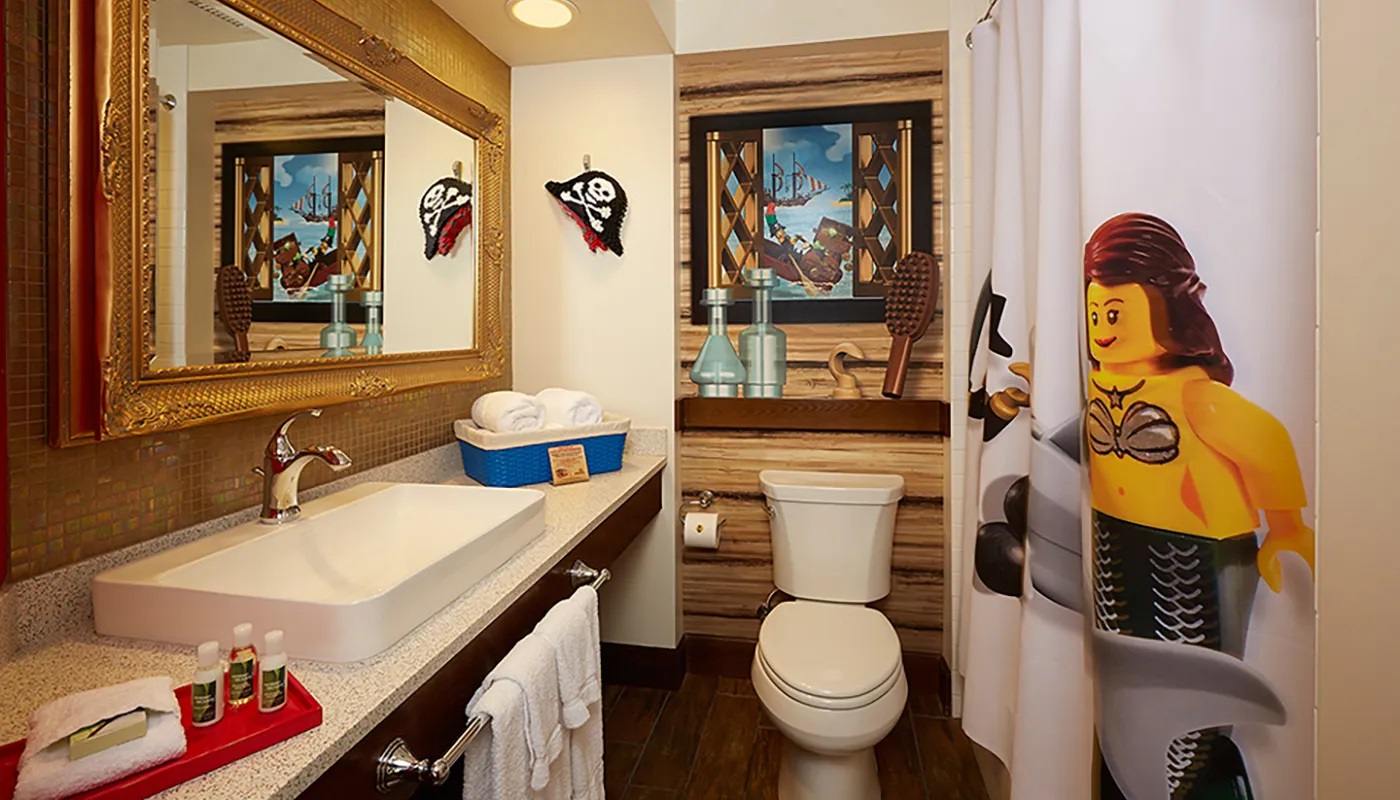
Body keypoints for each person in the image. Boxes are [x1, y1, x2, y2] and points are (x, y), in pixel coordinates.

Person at [1083, 212, 1314, 800]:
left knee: (1195, 693)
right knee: (1130, 677)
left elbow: (1266, 442)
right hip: (1116, 540)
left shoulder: (1196, 397)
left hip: (1198, 556)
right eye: (1095, 314)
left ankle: (1204, 779)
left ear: (1167, 308)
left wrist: (1286, 527)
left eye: (1115, 313)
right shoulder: (1102, 385)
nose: (1102, 329)